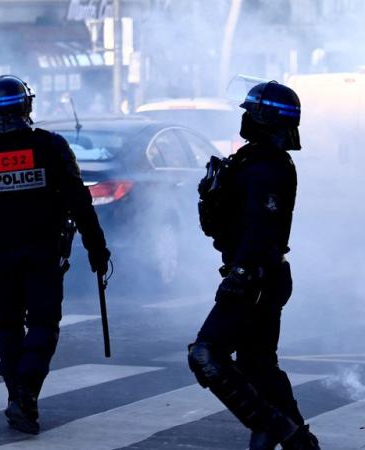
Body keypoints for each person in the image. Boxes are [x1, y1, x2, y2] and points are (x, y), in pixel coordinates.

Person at [0, 75, 110, 435]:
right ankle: (26, 393)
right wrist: (97, 246)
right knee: (43, 324)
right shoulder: (51, 147)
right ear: (26, 106)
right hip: (43, 252)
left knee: (7, 324)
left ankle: (18, 394)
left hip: (0, 256)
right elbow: (79, 200)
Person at [188, 81, 320, 450]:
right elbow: (225, 224)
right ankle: (299, 443)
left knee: (206, 354)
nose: (243, 118)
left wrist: (242, 273)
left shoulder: (268, 168)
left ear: (263, 119)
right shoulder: (251, 160)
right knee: (257, 365)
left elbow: (263, 227)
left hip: (256, 276)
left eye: (249, 112)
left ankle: (279, 429)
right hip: (259, 273)